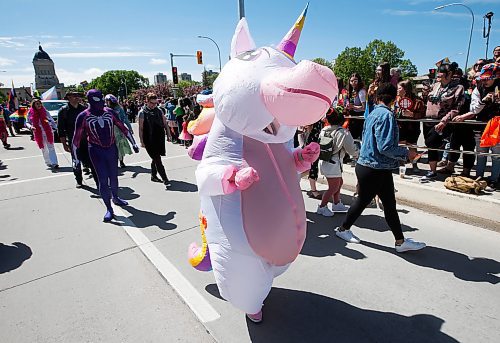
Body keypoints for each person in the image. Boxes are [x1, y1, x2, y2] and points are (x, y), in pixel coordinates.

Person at [335, 83, 426, 253]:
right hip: (375, 167)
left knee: (388, 204)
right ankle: (343, 229)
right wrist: (407, 153)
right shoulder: (386, 115)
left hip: (372, 166)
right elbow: (385, 147)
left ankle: (400, 241)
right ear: (394, 99)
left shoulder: (373, 113)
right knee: (364, 200)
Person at [72, 89, 139, 222]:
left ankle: (115, 197)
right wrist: (75, 158)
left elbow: (123, 127)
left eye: (102, 99)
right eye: (98, 99)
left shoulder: (109, 112)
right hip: (96, 150)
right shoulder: (83, 116)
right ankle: (109, 208)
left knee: (114, 176)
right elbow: (76, 138)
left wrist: (133, 143)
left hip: (111, 148)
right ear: (90, 100)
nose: (102, 102)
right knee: (102, 180)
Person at [460, 63, 499, 190]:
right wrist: (484, 101)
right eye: (484, 79)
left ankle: (494, 179)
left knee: (496, 155)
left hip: (497, 127)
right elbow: (474, 109)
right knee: (481, 155)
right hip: (481, 126)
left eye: (489, 78)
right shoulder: (478, 89)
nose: (486, 81)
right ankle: (479, 177)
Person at [422, 62, 465, 180]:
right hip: (428, 119)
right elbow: (427, 100)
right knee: (429, 143)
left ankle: (433, 170)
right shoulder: (435, 85)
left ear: (449, 74)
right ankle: (432, 170)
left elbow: (456, 108)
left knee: (432, 142)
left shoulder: (458, 88)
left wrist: (444, 121)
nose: (438, 76)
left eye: (441, 73)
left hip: (442, 121)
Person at [316, 108, 358, 216]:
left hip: (325, 160)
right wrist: (358, 154)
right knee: (333, 187)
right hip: (334, 163)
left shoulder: (324, 130)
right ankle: (322, 206)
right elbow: (351, 149)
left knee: (339, 183)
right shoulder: (343, 132)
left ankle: (336, 203)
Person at [58, 91, 98, 188]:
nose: (76, 98)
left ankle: (98, 182)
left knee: (93, 161)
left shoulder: (84, 109)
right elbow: (61, 129)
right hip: (74, 142)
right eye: (74, 96)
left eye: (78, 96)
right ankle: (79, 180)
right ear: (68, 98)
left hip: (87, 141)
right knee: (76, 162)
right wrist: (64, 144)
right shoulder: (63, 111)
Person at [138, 93, 171, 186]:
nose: (154, 105)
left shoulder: (159, 110)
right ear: (147, 101)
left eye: (155, 103)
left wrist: (168, 134)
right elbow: (141, 128)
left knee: (155, 158)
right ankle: (165, 178)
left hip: (159, 138)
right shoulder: (142, 112)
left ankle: (153, 175)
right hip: (148, 139)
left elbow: (165, 123)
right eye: (152, 103)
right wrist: (141, 141)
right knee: (157, 158)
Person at [396, 80, 425, 172]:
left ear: (405, 89)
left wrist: (412, 114)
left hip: (412, 128)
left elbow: (422, 114)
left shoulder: (417, 101)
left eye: (399, 88)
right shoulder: (396, 99)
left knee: (412, 147)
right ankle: (401, 165)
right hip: (400, 127)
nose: (397, 90)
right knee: (400, 146)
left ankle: (414, 165)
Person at [28, 98, 59, 169]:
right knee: (43, 148)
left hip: (48, 131)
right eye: (37, 104)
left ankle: (54, 163)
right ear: (34, 105)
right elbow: (27, 122)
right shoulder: (30, 113)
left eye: (40, 103)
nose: (39, 105)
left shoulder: (45, 111)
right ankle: (48, 162)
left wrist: (55, 127)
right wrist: (31, 127)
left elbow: (51, 120)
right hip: (38, 132)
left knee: (51, 147)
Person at [105, 94, 133, 168]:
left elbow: (125, 118)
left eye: (108, 101)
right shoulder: (105, 109)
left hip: (119, 129)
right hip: (109, 130)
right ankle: (114, 162)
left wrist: (130, 128)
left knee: (120, 146)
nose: (108, 102)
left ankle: (121, 161)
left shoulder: (119, 109)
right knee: (111, 147)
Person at [304, 119, 323, 200]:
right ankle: (313, 190)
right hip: (312, 144)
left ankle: (313, 189)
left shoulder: (317, 115)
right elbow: (306, 126)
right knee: (313, 167)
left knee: (310, 167)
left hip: (314, 143)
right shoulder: (313, 115)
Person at [346, 73, 367, 146]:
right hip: (352, 116)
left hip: (360, 117)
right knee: (352, 136)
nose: (353, 83)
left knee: (359, 137)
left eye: (355, 80)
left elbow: (364, 107)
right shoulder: (351, 91)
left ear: (359, 81)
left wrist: (353, 107)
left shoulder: (361, 91)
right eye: (351, 81)